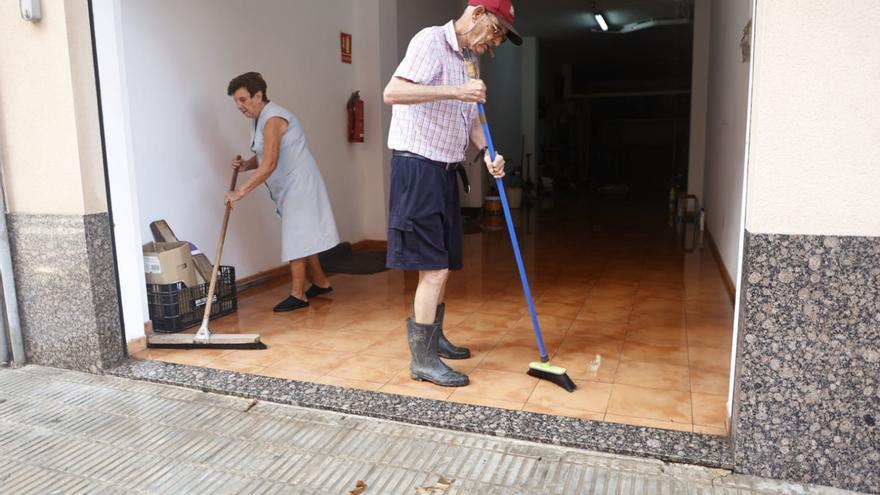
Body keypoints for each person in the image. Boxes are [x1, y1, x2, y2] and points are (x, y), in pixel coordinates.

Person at [383, 0, 522, 387]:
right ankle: (422, 360)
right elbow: (392, 93)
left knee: (444, 261)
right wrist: (458, 91)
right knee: (434, 266)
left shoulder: (467, 60)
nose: (493, 44)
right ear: (477, 14)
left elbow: (474, 120)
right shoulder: (430, 41)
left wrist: (489, 153)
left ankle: (434, 336)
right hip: (417, 166)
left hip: (444, 170)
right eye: (495, 32)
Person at [225, 72, 340, 312]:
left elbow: (270, 163)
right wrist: (247, 164)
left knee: (296, 237)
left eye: (243, 100)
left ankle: (298, 295)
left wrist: (240, 192)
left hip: (299, 184)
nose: (239, 106)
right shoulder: (259, 118)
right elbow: (263, 156)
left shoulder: (273, 119)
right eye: (236, 101)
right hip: (289, 186)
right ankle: (320, 282)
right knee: (303, 235)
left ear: (258, 95)